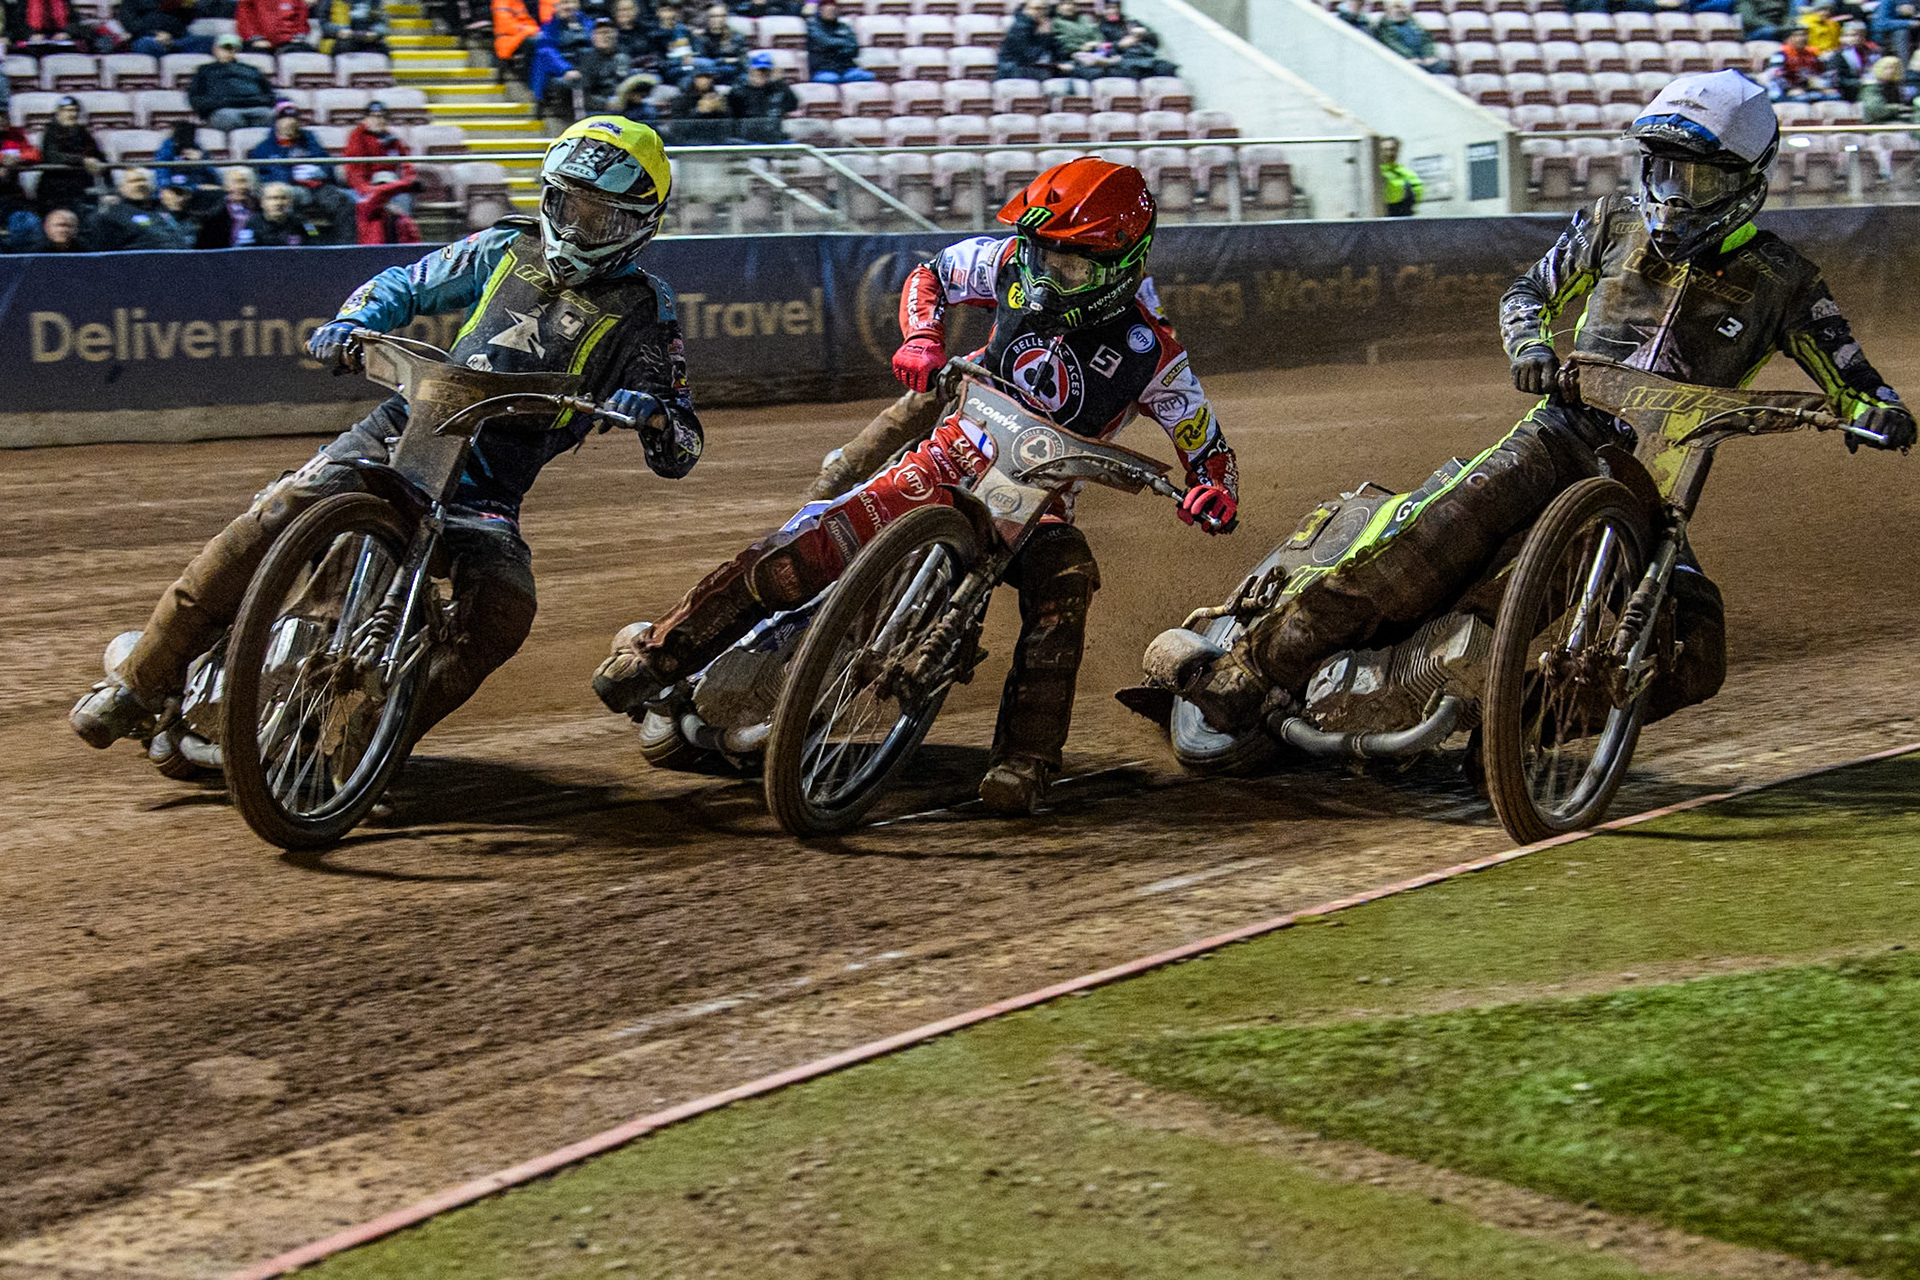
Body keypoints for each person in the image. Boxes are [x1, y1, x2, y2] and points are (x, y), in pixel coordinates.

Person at [1148, 71, 1914, 742]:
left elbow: (1852, 374)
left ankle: (1513, 737)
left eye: (1699, 181)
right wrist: (1531, 347)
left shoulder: (1786, 281)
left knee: (1693, 655)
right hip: (1559, 432)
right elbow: (1528, 293)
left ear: (1748, 181)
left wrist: (1878, 409)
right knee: (1428, 546)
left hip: (1654, 490)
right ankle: (1248, 671)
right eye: (1663, 171)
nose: (1676, 195)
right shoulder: (1612, 220)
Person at [592, 158, 1239, 815]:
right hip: (946, 455)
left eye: (1070, 266)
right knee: (814, 538)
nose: (1047, 275)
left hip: (1038, 503)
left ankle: (1026, 760)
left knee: (1066, 577)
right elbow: (931, 273)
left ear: (1122, 265)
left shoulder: (1154, 354)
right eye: (1043, 256)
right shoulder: (1011, 261)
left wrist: (1212, 491)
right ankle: (659, 655)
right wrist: (923, 336)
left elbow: (1209, 449)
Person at [72, 117, 706, 769]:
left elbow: (683, 440)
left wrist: (655, 417)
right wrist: (353, 321)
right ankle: (138, 682)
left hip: (487, 492)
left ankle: (370, 746)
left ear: (640, 224)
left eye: (599, 218)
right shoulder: (505, 245)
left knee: (503, 613)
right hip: (402, 433)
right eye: (568, 207)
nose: (576, 229)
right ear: (548, 198)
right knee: (277, 512)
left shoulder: (645, 309)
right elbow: (408, 282)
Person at [91, 165, 198, 249]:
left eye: (143, 180)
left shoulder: (163, 210)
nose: (141, 184)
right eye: (134, 181)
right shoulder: (114, 215)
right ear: (121, 187)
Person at [190, 33, 280, 129]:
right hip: (223, 110)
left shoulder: (251, 69)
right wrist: (212, 107)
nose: (229, 51)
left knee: (272, 116)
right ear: (215, 49)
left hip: (256, 107)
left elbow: (268, 93)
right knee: (229, 118)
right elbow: (196, 97)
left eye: (233, 48)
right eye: (225, 48)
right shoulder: (204, 70)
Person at [36, 95, 105, 214]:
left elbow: (99, 156)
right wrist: (82, 160)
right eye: (68, 110)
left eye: (75, 110)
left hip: (81, 188)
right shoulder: (51, 131)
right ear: (59, 113)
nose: (72, 114)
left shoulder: (83, 132)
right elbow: (51, 156)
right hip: (56, 190)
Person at [342, 100, 416, 199]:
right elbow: (354, 171)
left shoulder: (392, 138)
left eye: (382, 116)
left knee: (404, 195)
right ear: (365, 119)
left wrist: (407, 182)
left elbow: (406, 164)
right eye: (373, 116)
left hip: (391, 183)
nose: (378, 120)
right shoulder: (358, 137)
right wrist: (366, 191)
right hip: (368, 187)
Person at [728, 49, 795, 132]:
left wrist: (781, 82)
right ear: (751, 71)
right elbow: (732, 118)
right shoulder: (739, 91)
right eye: (760, 70)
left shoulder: (778, 88)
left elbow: (792, 105)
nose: (763, 74)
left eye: (767, 71)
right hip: (748, 135)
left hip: (773, 134)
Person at [997, 0, 1065, 80]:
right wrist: (1044, 36)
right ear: (1026, 10)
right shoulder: (1019, 28)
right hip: (1014, 70)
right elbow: (1028, 57)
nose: (1041, 12)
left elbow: (1057, 51)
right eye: (1036, 8)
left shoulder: (1045, 25)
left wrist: (1061, 63)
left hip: (1038, 68)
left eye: (1044, 9)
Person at [1373, 0, 1448, 73]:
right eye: (1396, 7)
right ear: (1387, 9)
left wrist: (1428, 55)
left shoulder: (1413, 23)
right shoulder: (1384, 27)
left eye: (1403, 7)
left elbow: (1426, 40)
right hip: (1401, 60)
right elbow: (1392, 44)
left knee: (1443, 67)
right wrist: (1410, 56)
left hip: (1422, 59)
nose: (1400, 10)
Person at [575, 20, 634, 112]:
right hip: (599, 108)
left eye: (609, 32)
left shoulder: (624, 55)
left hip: (626, 104)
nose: (606, 36)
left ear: (616, 35)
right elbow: (581, 95)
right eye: (600, 33)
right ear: (593, 37)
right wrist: (605, 104)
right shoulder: (586, 60)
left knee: (648, 110)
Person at [807, 0, 871, 83]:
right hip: (824, 69)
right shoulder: (813, 28)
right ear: (820, 10)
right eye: (827, 9)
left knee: (867, 76)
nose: (831, 11)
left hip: (846, 68)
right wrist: (842, 44)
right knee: (831, 79)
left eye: (833, 9)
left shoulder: (845, 27)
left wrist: (833, 49)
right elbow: (825, 43)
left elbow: (854, 48)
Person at [1766, 27, 1839, 99]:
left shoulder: (1812, 54)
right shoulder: (1780, 55)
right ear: (1788, 39)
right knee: (1801, 97)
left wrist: (1825, 86)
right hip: (1787, 91)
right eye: (1797, 35)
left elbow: (1825, 72)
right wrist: (1789, 89)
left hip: (1809, 89)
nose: (1802, 38)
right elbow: (1774, 77)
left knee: (1834, 95)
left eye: (1805, 34)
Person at [198, 164, 262, 246]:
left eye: (246, 182)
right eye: (237, 182)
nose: (242, 187)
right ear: (226, 186)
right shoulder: (213, 211)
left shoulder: (261, 208)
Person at [122, 0, 215, 56]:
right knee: (145, 44)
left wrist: (190, 7)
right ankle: (173, 50)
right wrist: (156, 34)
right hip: (150, 38)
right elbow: (131, 25)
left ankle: (172, 48)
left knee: (210, 42)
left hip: (179, 39)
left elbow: (187, 21)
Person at [692, 1, 747, 82]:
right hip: (708, 77)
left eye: (721, 16)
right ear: (708, 18)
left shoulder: (736, 37)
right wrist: (724, 60)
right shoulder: (701, 38)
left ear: (726, 17)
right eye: (713, 16)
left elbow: (743, 60)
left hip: (734, 76)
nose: (717, 19)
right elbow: (702, 63)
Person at [236, 0, 316, 50]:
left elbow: (301, 19)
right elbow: (245, 19)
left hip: (289, 42)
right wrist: (256, 38)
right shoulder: (248, 2)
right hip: (260, 41)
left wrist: (298, 37)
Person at [1827, 23, 1878, 98]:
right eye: (1851, 35)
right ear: (1842, 38)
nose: (1856, 38)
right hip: (1849, 92)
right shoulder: (1838, 55)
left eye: (1860, 35)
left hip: (1871, 87)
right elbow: (1837, 80)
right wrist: (1860, 82)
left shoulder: (1871, 52)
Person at [1859, 51, 1915, 116]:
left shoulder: (1894, 84)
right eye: (1887, 68)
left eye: (1895, 68)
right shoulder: (1872, 86)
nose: (1891, 71)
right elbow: (1874, 109)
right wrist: (1898, 108)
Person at [1379, 135, 1422, 216]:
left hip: (1403, 217)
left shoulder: (1408, 174)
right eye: (1385, 150)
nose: (1389, 153)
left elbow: (1417, 196)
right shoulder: (1372, 174)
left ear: (1398, 150)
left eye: (1392, 149)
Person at [324, 0, 390, 53]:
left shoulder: (374, 2)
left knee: (383, 49)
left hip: (367, 38)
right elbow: (324, 25)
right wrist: (341, 30)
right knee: (343, 47)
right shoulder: (328, 2)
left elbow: (382, 24)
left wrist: (375, 32)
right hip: (342, 39)